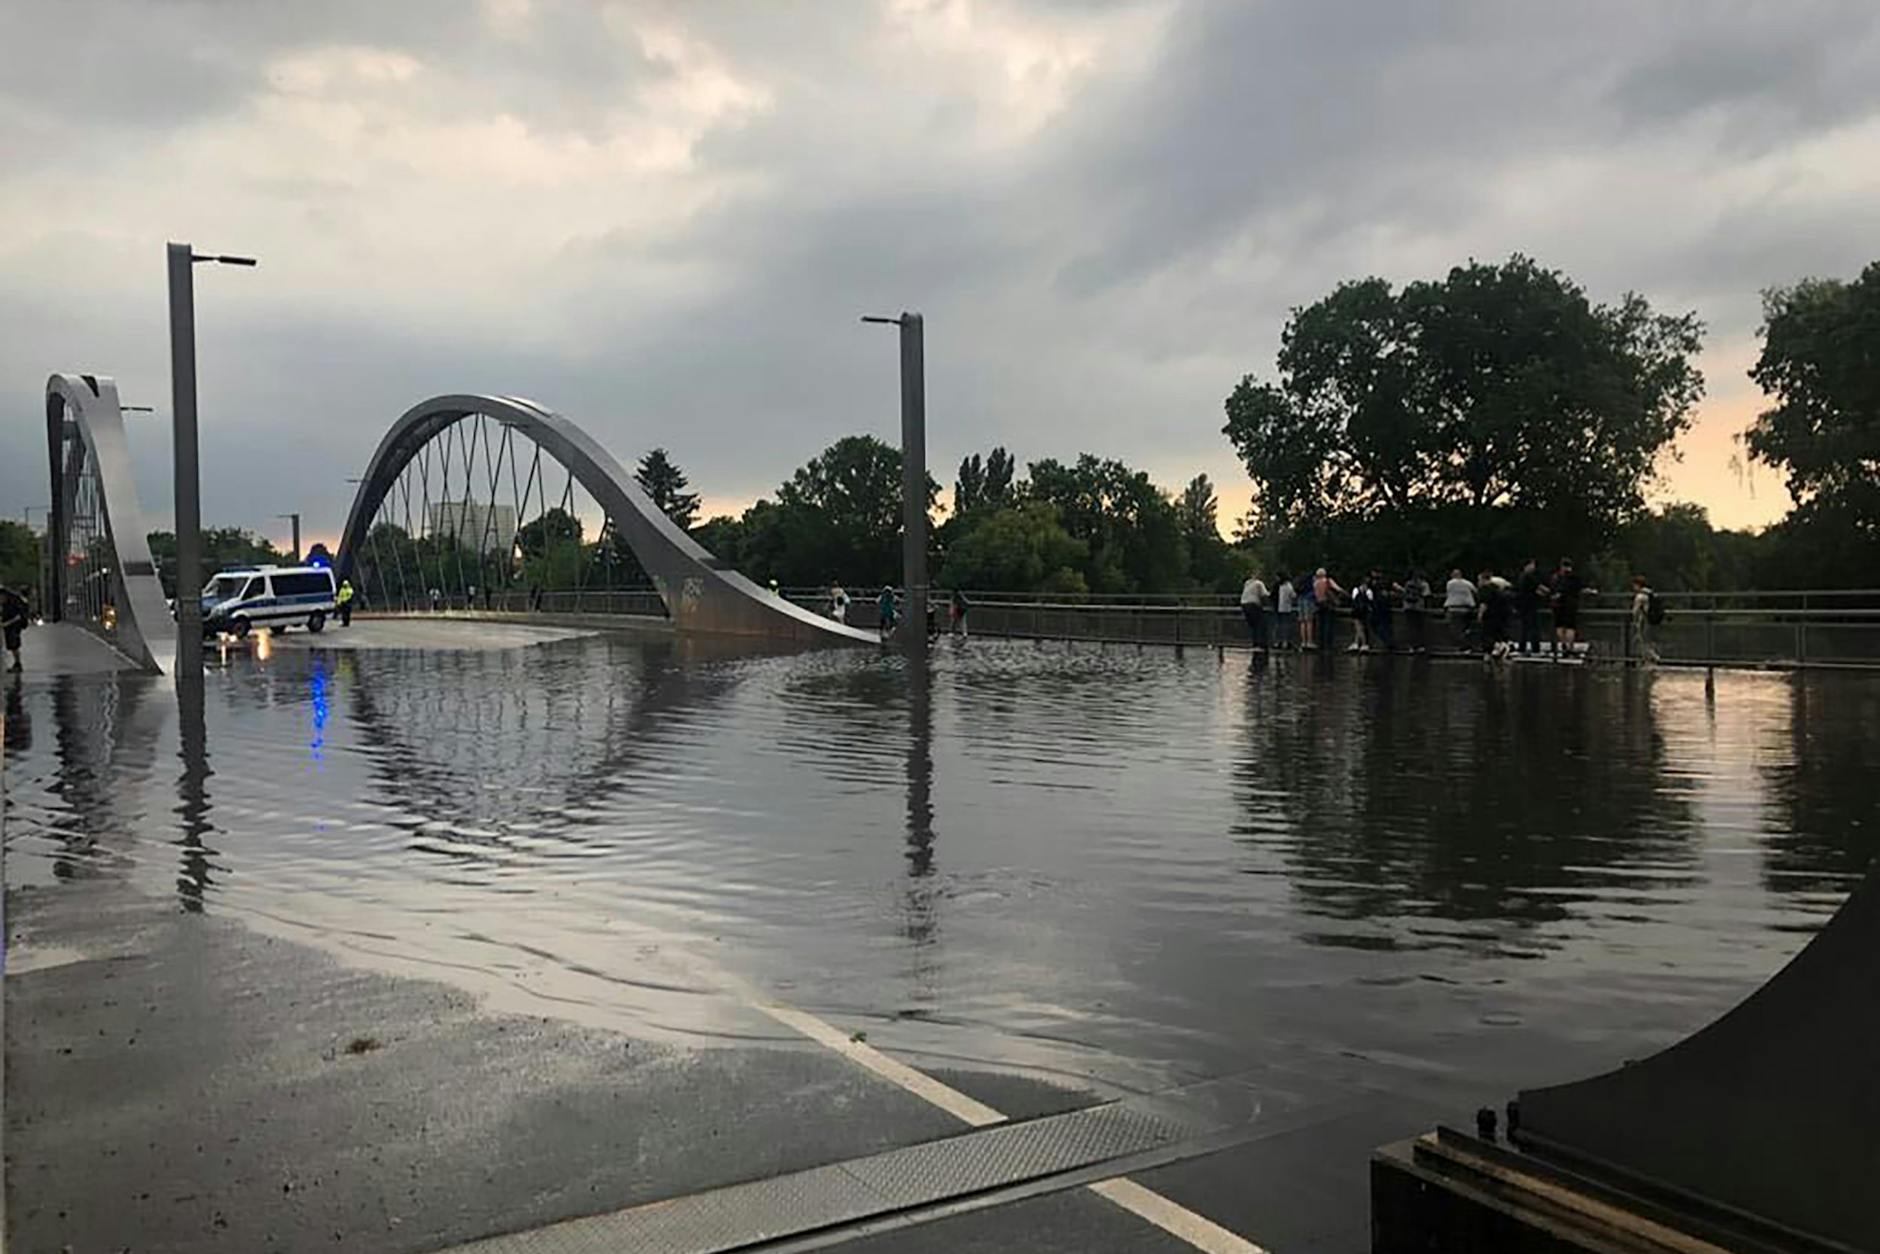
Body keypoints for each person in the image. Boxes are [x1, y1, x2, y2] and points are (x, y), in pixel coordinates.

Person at [1550, 559, 1593, 659]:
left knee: (1559, 626)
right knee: (1570, 627)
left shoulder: (1556, 577)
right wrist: (1591, 591)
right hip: (1571, 605)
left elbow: (1552, 590)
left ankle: (1563, 644)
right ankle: (1569, 647)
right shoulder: (1574, 578)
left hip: (1558, 606)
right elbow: (1582, 588)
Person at [1514, 558, 1549, 655]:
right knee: (1534, 627)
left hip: (1523, 605)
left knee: (1524, 627)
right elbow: (1540, 588)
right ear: (1528, 565)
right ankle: (1535, 648)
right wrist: (1549, 593)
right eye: (1533, 565)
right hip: (1530, 605)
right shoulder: (1529, 576)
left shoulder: (1521, 576)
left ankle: (1522, 647)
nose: (1534, 567)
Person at [1479, 569, 1514, 660]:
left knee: (1487, 633)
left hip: (1490, 614)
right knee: (1498, 632)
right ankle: (1502, 646)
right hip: (1500, 614)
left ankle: (1494, 649)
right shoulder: (1497, 589)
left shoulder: (1485, 589)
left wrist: (1480, 614)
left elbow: (1484, 603)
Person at [1443, 568, 1477, 652]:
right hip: (1467, 608)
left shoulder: (1450, 583)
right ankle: (1467, 644)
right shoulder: (1468, 583)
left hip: (1454, 608)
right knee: (1465, 628)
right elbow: (1475, 591)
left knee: (1455, 629)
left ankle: (1464, 646)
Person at [1311, 567, 1344, 652]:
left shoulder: (1315, 583)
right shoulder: (1328, 581)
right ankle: (1329, 644)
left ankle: (1321, 643)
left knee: (1321, 624)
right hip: (1328, 604)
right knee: (1328, 624)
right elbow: (1338, 589)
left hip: (1319, 604)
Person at [1631, 575, 1661, 664]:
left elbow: (1635, 611)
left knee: (1643, 641)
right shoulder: (1651, 593)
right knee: (1648, 640)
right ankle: (1648, 659)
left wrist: (1634, 620)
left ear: (1638, 585)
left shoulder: (1640, 596)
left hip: (1644, 621)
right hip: (1652, 620)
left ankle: (1653, 658)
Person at [2, 585, 30, 673]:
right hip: (11, 626)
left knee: (14, 644)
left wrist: (7, 623)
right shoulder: (8, 604)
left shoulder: (13, 604)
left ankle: (18, 664)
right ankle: (17, 664)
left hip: (14, 626)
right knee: (12, 645)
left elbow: (17, 617)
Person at [1401, 569, 1430, 653]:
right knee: (1420, 627)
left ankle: (1411, 646)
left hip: (1408, 607)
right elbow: (1426, 594)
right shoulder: (1423, 584)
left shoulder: (1407, 584)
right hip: (1419, 607)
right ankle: (1420, 645)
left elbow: (1404, 594)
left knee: (1410, 627)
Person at [1239, 571, 1269, 650]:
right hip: (1253, 604)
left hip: (1244, 604)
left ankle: (1255, 643)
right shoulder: (1259, 583)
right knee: (1259, 624)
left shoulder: (1247, 583)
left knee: (1253, 625)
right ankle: (1260, 643)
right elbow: (1264, 594)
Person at [1367, 568, 1395, 652]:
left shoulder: (1377, 582)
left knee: (1381, 625)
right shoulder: (1373, 582)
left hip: (1380, 607)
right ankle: (1388, 642)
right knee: (1382, 625)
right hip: (1379, 606)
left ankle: (1388, 642)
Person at [1348, 575, 1373, 652]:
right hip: (1365, 611)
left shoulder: (1356, 589)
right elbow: (1371, 600)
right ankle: (1357, 643)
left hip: (1356, 611)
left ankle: (1363, 644)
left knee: (1358, 627)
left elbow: (1353, 599)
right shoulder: (1369, 591)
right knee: (1362, 627)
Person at [1274, 572, 1296, 650]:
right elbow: (1293, 596)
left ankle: (1278, 641)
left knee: (1279, 625)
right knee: (1286, 625)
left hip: (1278, 607)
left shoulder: (1279, 586)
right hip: (1286, 608)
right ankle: (1286, 641)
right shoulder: (1289, 586)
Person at [1297, 572, 1318, 650]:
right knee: (1309, 621)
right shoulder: (1311, 584)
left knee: (1302, 622)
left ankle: (1303, 642)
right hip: (1308, 600)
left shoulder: (1301, 584)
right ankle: (1309, 642)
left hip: (1300, 600)